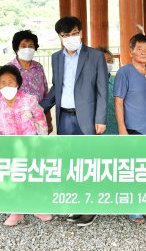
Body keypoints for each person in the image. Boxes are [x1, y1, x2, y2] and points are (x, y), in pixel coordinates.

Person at [39, 16, 107, 226]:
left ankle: (90, 207)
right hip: (65, 118)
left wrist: (100, 118)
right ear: (60, 37)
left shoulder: (95, 56)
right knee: (70, 163)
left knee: (88, 163)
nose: (70, 38)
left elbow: (102, 89)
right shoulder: (56, 58)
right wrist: (39, 108)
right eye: (65, 35)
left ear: (81, 33)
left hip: (87, 118)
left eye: (74, 33)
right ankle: (76, 203)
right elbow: (56, 87)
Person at [0, 65, 51, 226]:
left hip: (31, 146)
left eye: (11, 82)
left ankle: (37, 207)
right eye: (3, 83)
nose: (7, 86)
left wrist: (42, 142)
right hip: (9, 148)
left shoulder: (29, 100)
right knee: (13, 178)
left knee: (33, 176)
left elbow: (40, 120)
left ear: (18, 84)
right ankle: (16, 211)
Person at [114, 33, 146, 224]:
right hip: (133, 129)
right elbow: (118, 102)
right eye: (139, 49)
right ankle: (134, 208)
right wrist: (122, 129)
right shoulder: (124, 72)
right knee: (134, 170)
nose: (143, 52)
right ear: (131, 51)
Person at [9, 30, 52, 133]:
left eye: (31, 46)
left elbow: (45, 95)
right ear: (16, 49)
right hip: (17, 123)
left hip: (39, 120)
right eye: (23, 46)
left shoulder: (38, 68)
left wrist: (49, 120)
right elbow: (2, 100)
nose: (27, 49)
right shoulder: (8, 69)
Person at [97, 46, 118, 135]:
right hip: (95, 130)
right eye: (102, 60)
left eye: (109, 61)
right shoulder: (87, 83)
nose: (106, 63)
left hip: (114, 128)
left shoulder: (116, 81)